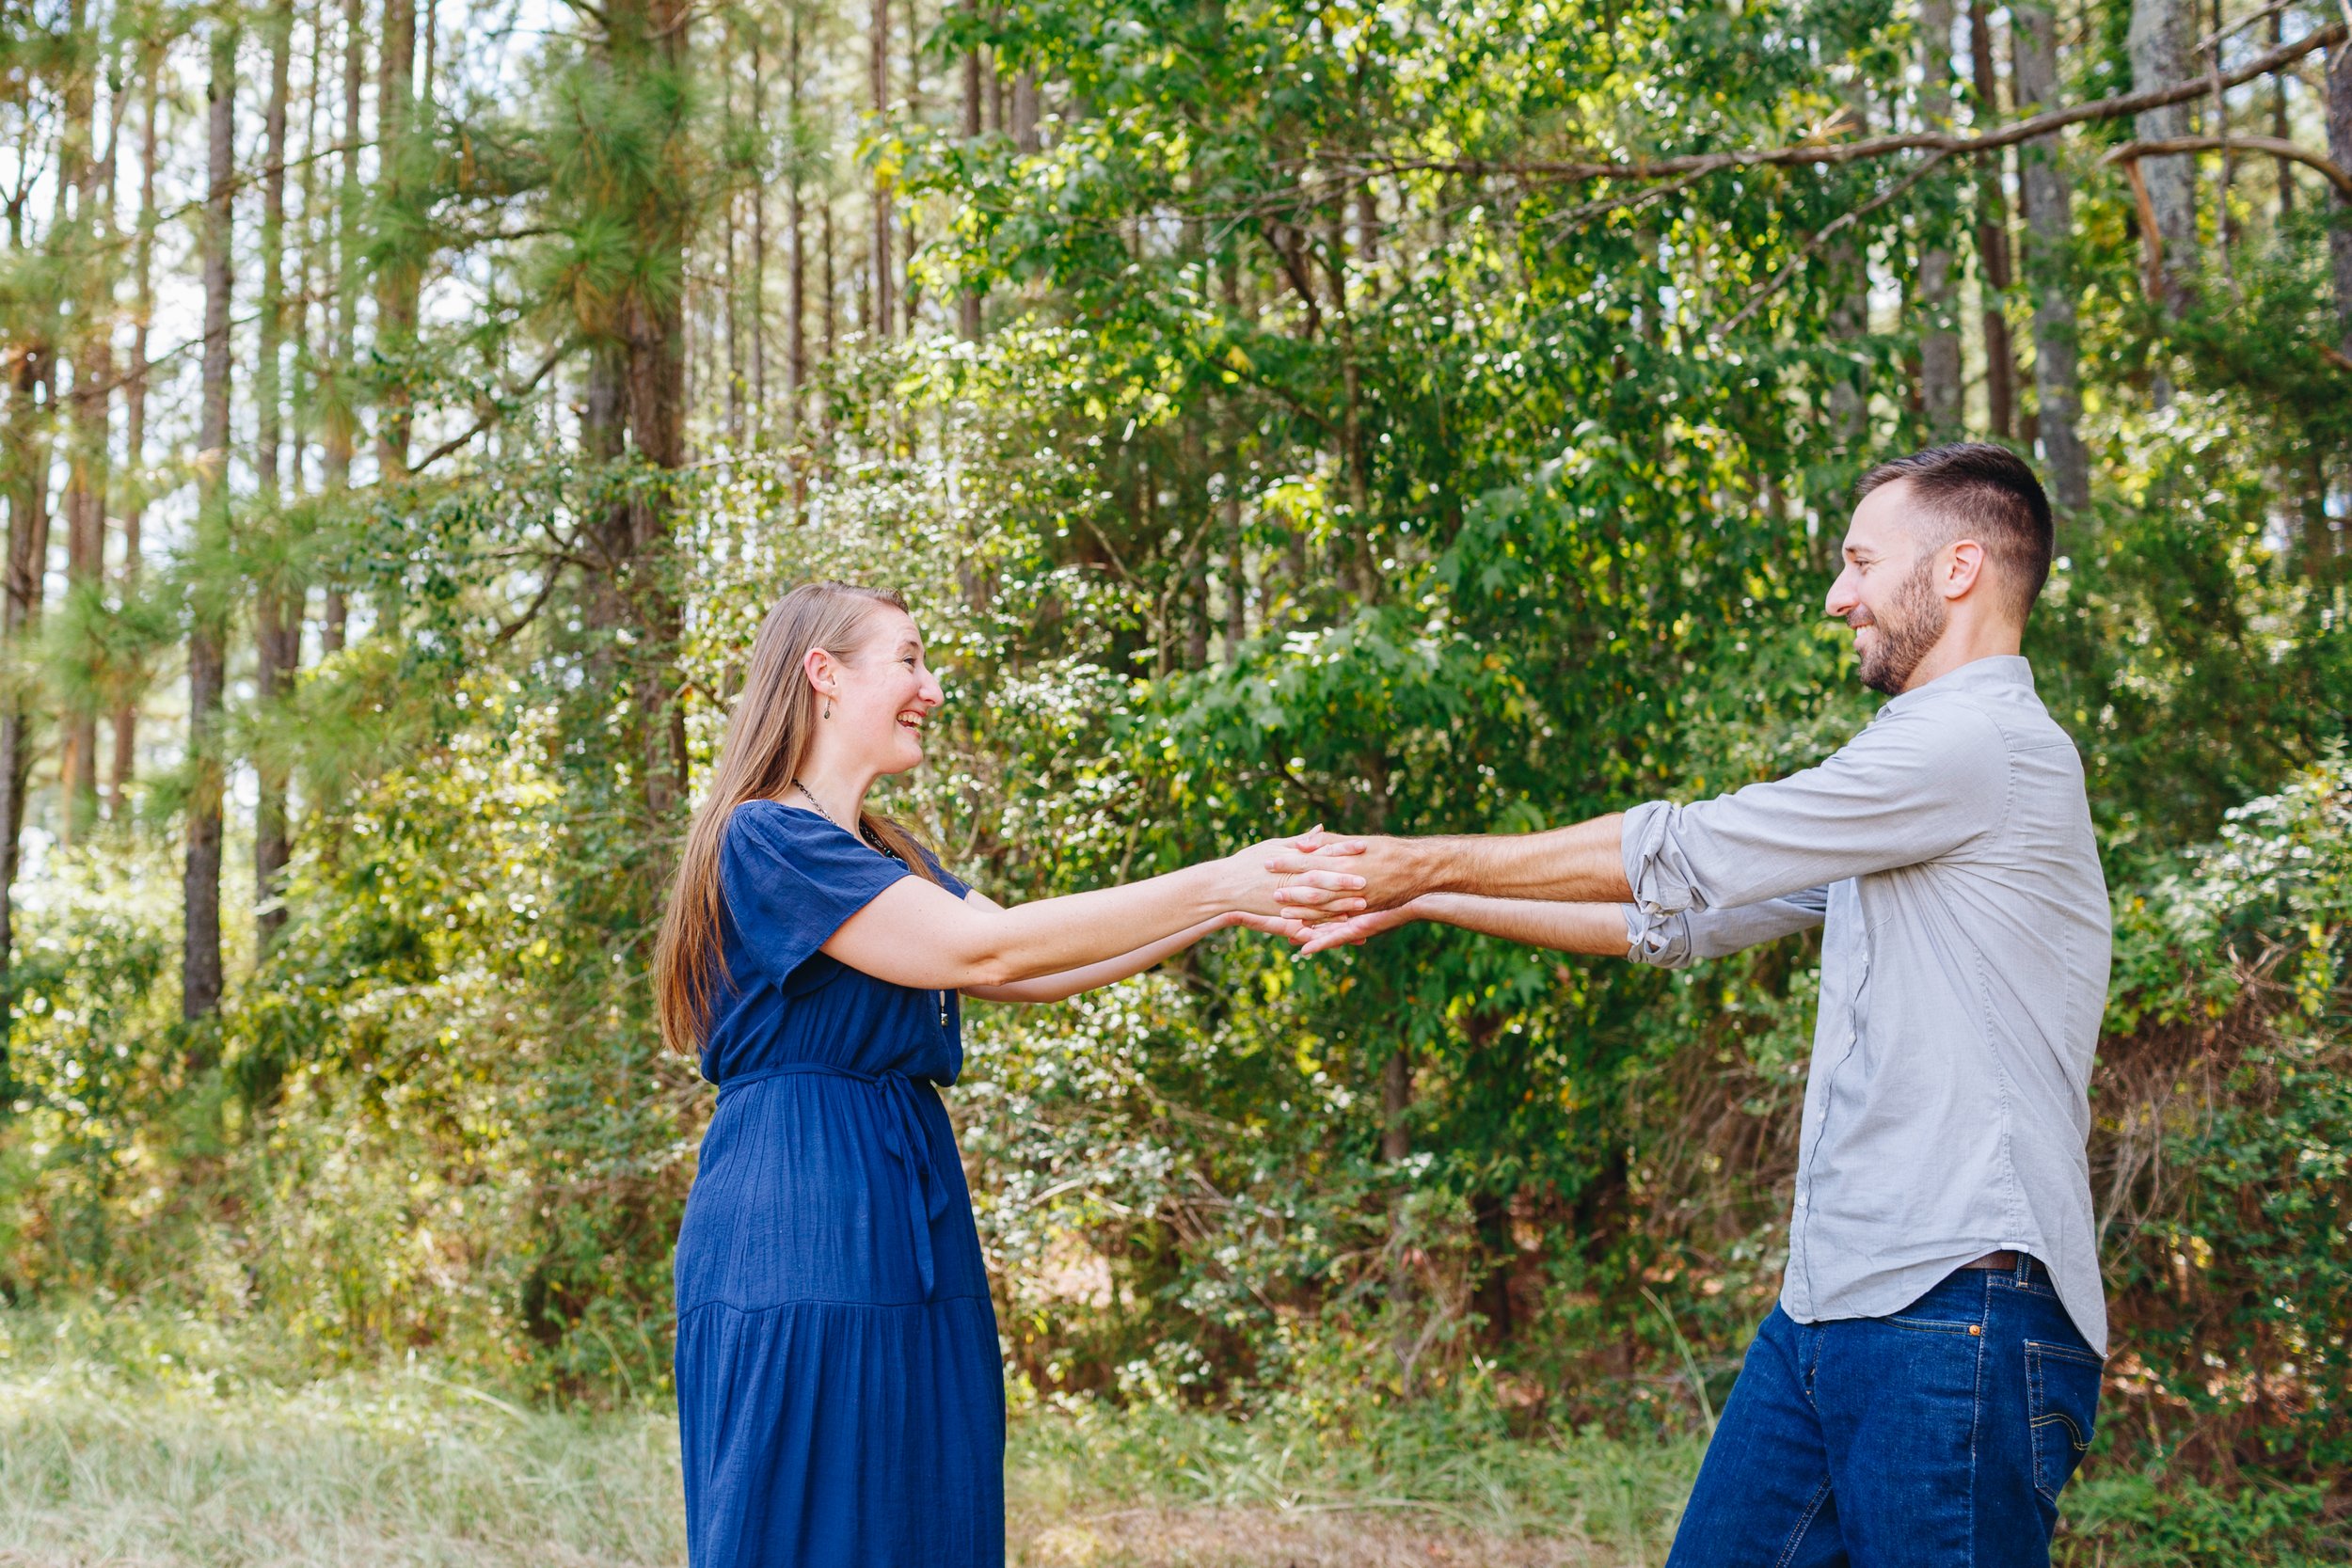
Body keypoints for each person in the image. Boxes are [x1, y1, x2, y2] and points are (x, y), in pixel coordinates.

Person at [1278, 444, 2112, 1567]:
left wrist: (1417, 857)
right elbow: (1674, 919)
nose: (1839, 594)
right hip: (1831, 1307)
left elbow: (1686, 847)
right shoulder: (1912, 772)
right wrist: (1430, 895)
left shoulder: (1978, 745)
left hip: (1956, 1303)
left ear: (1958, 566)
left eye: (1861, 561)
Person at [650, 580, 1367, 1568]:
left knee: (919, 1511)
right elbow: (986, 956)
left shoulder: (883, 851)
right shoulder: (767, 836)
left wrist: (1233, 906)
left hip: (909, 1214)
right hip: (802, 1221)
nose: (930, 688)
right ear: (823, 674)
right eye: (907, 659)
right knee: (812, 1524)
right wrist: (1217, 878)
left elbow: (1030, 961)